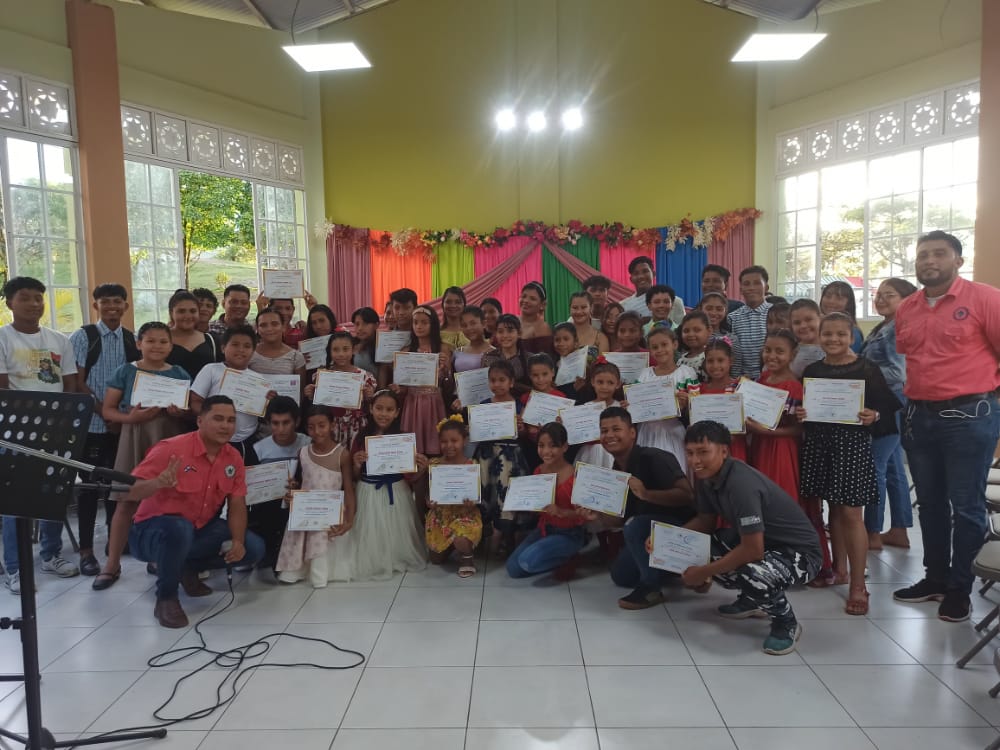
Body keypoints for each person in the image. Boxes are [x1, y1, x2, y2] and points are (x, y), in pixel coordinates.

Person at [893, 230, 1000, 622]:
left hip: (970, 419)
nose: (929, 261)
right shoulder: (907, 307)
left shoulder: (985, 299)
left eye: (939, 253)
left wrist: (989, 400)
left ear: (958, 259)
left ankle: (960, 588)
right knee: (931, 504)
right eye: (922, 255)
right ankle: (934, 578)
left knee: (967, 506)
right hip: (920, 417)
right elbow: (913, 358)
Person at [671, 421, 822, 655]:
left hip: (802, 553)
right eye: (690, 453)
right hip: (765, 544)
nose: (695, 461)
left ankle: (786, 623)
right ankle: (751, 600)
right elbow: (705, 522)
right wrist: (667, 539)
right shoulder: (706, 478)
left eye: (703, 452)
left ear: (723, 451)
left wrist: (704, 572)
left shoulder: (741, 484)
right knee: (703, 547)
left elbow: (753, 551)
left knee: (753, 574)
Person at [125, 395, 265, 628]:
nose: (225, 426)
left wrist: (238, 541)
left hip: (199, 529)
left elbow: (237, 504)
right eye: (218, 419)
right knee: (180, 528)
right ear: (200, 421)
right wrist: (157, 483)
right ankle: (166, 598)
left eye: (231, 420)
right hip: (151, 534)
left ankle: (188, 567)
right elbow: (129, 491)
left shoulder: (233, 458)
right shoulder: (171, 449)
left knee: (253, 548)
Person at [798, 312, 901, 616]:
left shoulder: (866, 369)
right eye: (827, 334)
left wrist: (874, 415)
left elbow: (885, 409)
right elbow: (806, 405)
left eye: (840, 334)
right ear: (819, 335)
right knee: (833, 508)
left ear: (852, 335)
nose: (833, 340)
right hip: (819, 444)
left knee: (852, 513)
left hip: (851, 446)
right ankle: (838, 570)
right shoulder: (813, 369)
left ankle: (858, 584)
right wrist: (803, 414)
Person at [94, 322, 192, 591]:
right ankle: (112, 564)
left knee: (166, 499)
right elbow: (108, 410)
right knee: (126, 499)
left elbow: (187, 410)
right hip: (135, 436)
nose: (157, 346)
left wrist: (179, 413)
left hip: (169, 436)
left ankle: (159, 558)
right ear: (139, 343)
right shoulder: (126, 371)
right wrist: (131, 418)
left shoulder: (179, 372)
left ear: (171, 345)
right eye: (150, 341)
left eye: (163, 341)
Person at [0, 276, 80, 592]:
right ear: (9, 303)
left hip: (55, 432)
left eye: (39, 298)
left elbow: (70, 383)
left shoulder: (59, 340)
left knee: (53, 494)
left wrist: (64, 422)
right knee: (14, 501)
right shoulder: (4, 338)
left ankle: (50, 554)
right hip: (14, 432)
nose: (34, 304)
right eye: (25, 298)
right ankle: (14, 567)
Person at [70, 283, 139, 577]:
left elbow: (134, 380)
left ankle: (116, 543)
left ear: (126, 305)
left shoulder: (130, 339)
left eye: (118, 302)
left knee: (118, 488)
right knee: (89, 489)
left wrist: (120, 418)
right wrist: (104, 412)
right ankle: (86, 551)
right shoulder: (84, 336)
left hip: (120, 427)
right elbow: (77, 382)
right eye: (105, 302)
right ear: (96, 305)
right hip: (93, 425)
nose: (112, 307)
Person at [598, 407, 694, 609]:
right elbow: (617, 521)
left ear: (632, 432)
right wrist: (596, 514)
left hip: (683, 531)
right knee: (621, 576)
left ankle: (651, 588)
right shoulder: (615, 471)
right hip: (647, 535)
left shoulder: (655, 457)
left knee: (634, 525)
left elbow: (687, 496)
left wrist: (646, 494)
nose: (609, 435)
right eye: (604, 431)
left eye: (616, 429)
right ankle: (674, 568)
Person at [861, 278, 918, 551]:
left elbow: (899, 372)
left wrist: (859, 374)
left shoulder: (899, 327)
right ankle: (899, 530)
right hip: (888, 401)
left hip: (891, 403)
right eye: (879, 294)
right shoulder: (884, 326)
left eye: (890, 295)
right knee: (894, 468)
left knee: (875, 467)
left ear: (907, 300)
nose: (881, 299)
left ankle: (871, 532)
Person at [350, 389, 427, 580]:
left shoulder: (403, 438)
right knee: (371, 529)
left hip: (397, 489)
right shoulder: (360, 437)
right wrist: (356, 463)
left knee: (395, 529)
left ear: (397, 412)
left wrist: (421, 468)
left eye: (389, 409)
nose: (384, 413)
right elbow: (353, 476)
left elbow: (411, 477)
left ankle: (394, 556)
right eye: (379, 408)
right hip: (368, 489)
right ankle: (374, 559)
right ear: (371, 408)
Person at [276, 406, 356, 586]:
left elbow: (349, 489)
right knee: (300, 538)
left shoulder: (341, 455)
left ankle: (319, 573)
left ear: (332, 425)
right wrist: (292, 495)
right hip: (306, 514)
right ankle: (296, 570)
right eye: (311, 427)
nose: (317, 431)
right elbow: (297, 484)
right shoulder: (303, 452)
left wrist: (349, 519)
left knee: (321, 535)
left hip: (329, 515)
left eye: (322, 425)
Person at [506, 422, 591, 580]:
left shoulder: (575, 476)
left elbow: (584, 515)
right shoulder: (539, 471)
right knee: (513, 569)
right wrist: (526, 505)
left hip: (570, 533)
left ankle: (570, 556)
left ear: (565, 447)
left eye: (553, 446)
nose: (546, 451)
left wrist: (562, 512)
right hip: (545, 529)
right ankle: (559, 557)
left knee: (527, 562)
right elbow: (538, 504)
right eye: (541, 445)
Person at [472, 360, 529, 557]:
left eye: (502, 380)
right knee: (487, 491)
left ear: (511, 382)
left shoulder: (519, 404)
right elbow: (477, 432)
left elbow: (524, 435)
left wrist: (521, 428)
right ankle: (486, 535)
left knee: (506, 493)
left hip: (510, 456)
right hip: (487, 455)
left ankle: (505, 536)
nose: (497, 384)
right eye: (493, 380)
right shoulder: (484, 405)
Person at [418, 416, 482, 578]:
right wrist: (428, 501)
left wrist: (472, 502)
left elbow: (478, 494)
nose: (449, 446)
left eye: (454, 441)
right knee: (436, 560)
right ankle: (455, 545)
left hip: (464, 515)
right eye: (444, 442)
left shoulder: (472, 465)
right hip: (440, 516)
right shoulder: (434, 465)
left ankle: (467, 557)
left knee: (461, 537)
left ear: (465, 441)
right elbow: (426, 490)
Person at [251, 396, 311, 570]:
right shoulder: (259, 448)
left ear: (297, 421)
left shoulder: (307, 443)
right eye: (275, 423)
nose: (281, 429)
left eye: (286, 423)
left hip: (298, 500)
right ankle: (271, 550)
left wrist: (299, 485)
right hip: (271, 505)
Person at [190, 325, 263, 462]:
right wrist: (212, 422)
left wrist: (268, 401)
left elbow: (261, 412)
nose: (241, 350)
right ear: (223, 348)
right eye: (235, 344)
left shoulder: (258, 379)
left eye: (247, 346)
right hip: (214, 439)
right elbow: (195, 400)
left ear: (253, 351)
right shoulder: (211, 370)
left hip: (248, 440)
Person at [635, 326, 698, 475]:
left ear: (674, 344)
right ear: (649, 350)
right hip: (647, 432)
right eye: (655, 347)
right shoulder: (645, 375)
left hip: (673, 432)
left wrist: (687, 402)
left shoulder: (686, 373)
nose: (660, 350)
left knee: (675, 472)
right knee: (649, 473)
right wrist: (629, 406)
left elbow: (697, 407)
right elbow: (636, 404)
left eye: (664, 345)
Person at [304, 330, 377, 448]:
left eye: (345, 349)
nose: (341, 354)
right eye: (336, 350)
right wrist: (311, 394)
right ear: (330, 351)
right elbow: (318, 404)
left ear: (353, 350)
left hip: (357, 428)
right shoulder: (322, 376)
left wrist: (370, 396)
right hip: (330, 427)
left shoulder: (364, 377)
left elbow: (370, 405)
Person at [397, 306, 451, 457]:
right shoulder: (406, 351)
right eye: (415, 322)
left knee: (436, 449)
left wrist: (447, 368)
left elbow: (448, 383)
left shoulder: (442, 348)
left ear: (433, 324)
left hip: (434, 402)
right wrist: (397, 388)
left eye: (424, 322)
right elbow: (402, 387)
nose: (419, 326)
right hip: (413, 403)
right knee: (413, 451)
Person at [684, 337, 746, 461]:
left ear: (731, 361)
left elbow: (746, 426)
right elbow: (693, 421)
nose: (715, 365)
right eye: (710, 361)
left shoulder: (741, 387)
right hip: (705, 452)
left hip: (733, 449)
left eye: (720, 360)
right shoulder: (697, 391)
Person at [574, 360, 623, 470]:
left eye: (610, 383)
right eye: (600, 382)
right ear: (592, 382)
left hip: (613, 452)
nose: (604, 387)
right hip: (589, 453)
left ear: (618, 384)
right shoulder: (585, 407)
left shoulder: (621, 407)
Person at [728, 265, 773, 380]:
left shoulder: (775, 313)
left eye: (757, 283)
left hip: (771, 377)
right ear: (740, 289)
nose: (751, 288)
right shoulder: (733, 317)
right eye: (746, 284)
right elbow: (733, 351)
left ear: (766, 287)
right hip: (743, 379)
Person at [166, 290, 219, 380]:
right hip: (168, 392)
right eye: (181, 311)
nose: (188, 316)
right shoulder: (161, 339)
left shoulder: (211, 340)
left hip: (204, 394)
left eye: (193, 311)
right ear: (172, 313)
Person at [620, 256, 686, 326]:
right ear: (631, 279)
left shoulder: (675, 302)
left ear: (653, 274)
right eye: (636, 273)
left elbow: (682, 329)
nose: (641, 276)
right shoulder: (624, 306)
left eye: (645, 271)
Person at [481, 314, 530, 398]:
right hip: (495, 406)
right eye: (500, 331)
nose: (505, 335)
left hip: (522, 406)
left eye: (510, 331)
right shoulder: (488, 358)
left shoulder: (529, 359)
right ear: (496, 334)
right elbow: (483, 387)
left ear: (519, 333)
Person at [820, 281, 864, 353]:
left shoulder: (853, 332)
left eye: (839, 298)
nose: (831, 301)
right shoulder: (820, 327)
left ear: (848, 303)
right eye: (828, 296)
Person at [452, 305, 495, 375]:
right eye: (464, 325)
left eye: (473, 323)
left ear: (483, 324)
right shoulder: (458, 352)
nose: (468, 328)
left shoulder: (494, 353)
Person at [789, 299, 825, 378]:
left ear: (821, 318)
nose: (803, 326)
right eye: (797, 323)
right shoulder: (792, 351)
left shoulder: (830, 348)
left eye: (808, 320)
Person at [519, 281, 554, 356]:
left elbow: (544, 361)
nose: (525, 301)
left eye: (532, 299)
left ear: (542, 305)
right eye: (523, 296)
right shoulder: (514, 320)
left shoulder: (542, 328)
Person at [677, 310, 711, 379]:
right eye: (686, 331)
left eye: (697, 330)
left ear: (709, 331)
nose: (691, 334)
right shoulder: (680, 361)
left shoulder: (710, 357)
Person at [351, 306, 380, 378]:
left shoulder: (381, 346)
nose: (360, 328)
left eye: (365, 324)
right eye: (357, 324)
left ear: (376, 325)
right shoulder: (350, 344)